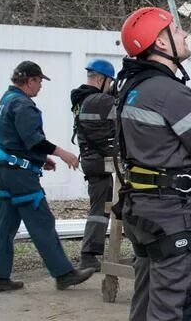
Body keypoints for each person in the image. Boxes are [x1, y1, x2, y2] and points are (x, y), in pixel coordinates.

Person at [116, 6, 191, 321]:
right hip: (169, 215)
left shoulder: (132, 88)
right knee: (174, 308)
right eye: (177, 30)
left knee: (146, 296)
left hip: (141, 210)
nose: (184, 34)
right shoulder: (168, 92)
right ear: (162, 44)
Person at [0, 60, 95, 293]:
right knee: (41, 221)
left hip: (5, 170)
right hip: (20, 176)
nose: (40, 87)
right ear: (30, 80)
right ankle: (64, 274)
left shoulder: (5, 101)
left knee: (4, 225)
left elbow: (13, 138)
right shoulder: (24, 105)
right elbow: (33, 139)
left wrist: (40, 159)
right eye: (39, 81)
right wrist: (63, 153)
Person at [70, 58, 118, 270]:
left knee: (102, 206)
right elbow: (121, 118)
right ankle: (88, 255)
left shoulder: (82, 99)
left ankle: (90, 254)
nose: (110, 86)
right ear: (100, 79)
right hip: (101, 161)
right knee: (103, 208)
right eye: (110, 82)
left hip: (90, 159)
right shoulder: (100, 100)